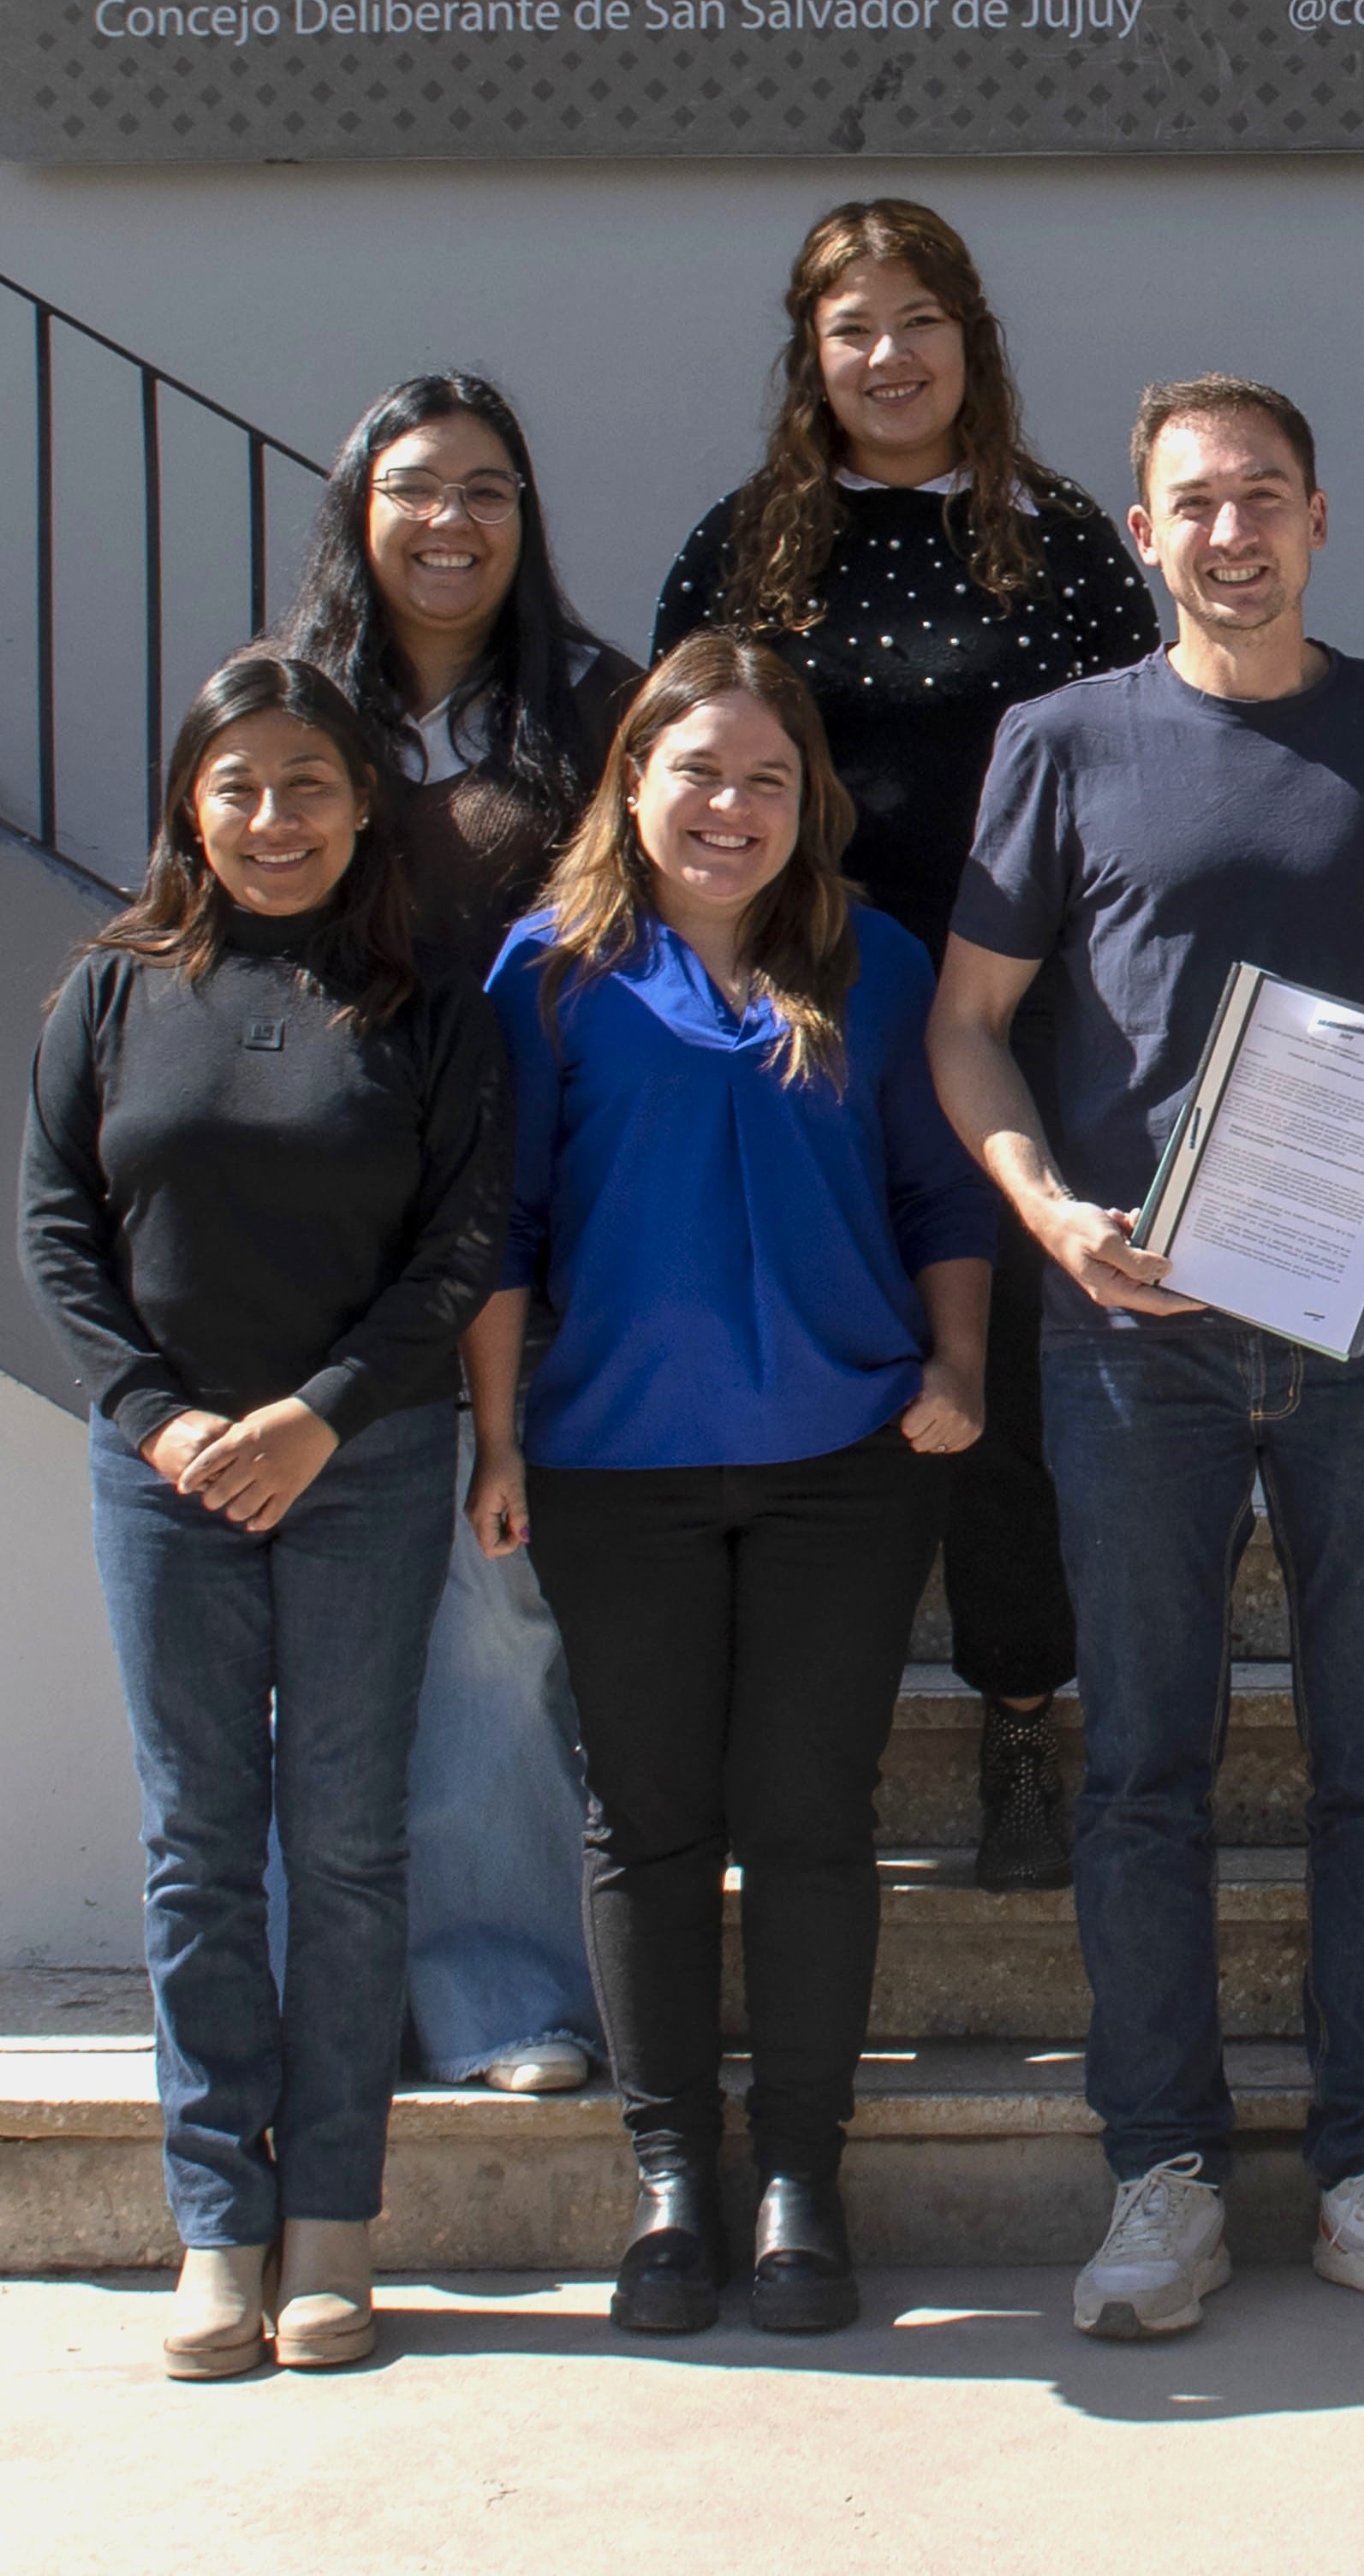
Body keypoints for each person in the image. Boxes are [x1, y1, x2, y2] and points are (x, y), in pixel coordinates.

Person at [932, 375, 1364, 2341]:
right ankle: (1158, 2171)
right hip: (1136, 1336)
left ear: (1322, 518)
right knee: (1145, 1770)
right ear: (1145, 527)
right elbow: (968, 1023)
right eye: (1196, 501)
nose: (1233, 530)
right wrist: (1044, 1211)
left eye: (1266, 493)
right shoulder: (1062, 741)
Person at [469, 633, 995, 2339]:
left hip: (842, 1464)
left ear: (809, 806)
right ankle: (672, 2178)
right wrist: (496, 1440)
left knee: (807, 1821)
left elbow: (942, 1198)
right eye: (700, 770)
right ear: (633, 781)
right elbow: (504, 1230)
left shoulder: (877, 963)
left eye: (770, 779)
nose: (732, 805)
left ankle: (796, 2180)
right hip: (615, 1464)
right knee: (649, 1825)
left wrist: (959, 1370)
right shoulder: (548, 975)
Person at [655, 199, 1158, 1894]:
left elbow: (1133, 781)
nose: (889, 357)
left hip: (1009, 1029)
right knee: (793, 1369)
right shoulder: (743, 550)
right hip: (795, 1026)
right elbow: (672, 790)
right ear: (811, 354)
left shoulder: (1065, 540)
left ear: (973, 339)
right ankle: (779, 1762)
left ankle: (1024, 1709)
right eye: (853, 326)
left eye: (919, 318)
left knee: (1001, 1388)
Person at [21, 651, 510, 2379]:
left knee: (351, 1835)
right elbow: (59, 1231)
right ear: (189, 807)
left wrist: (317, 1415)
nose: (273, 817)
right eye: (237, 786)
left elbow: (463, 1242)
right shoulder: (110, 989)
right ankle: (218, 2222)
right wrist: (162, 1427)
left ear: (363, 802)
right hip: (163, 1483)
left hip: (360, 1464)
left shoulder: (427, 1001)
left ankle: (335, 2232)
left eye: (308, 783)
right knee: (201, 1848)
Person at [278, 370, 636, 2097]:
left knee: (501, 1618)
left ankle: (504, 1995)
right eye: (417, 487)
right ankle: (310, 2001)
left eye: (490, 488)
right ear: (361, 508)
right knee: (324, 1624)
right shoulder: (294, 708)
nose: (453, 520)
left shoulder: (591, 709)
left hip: (534, 1222)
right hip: (326, 1223)